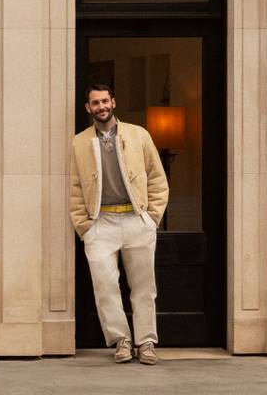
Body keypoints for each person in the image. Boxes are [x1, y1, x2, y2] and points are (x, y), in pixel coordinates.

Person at [70, 83, 169, 365]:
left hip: (136, 219)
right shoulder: (80, 142)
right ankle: (121, 341)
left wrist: (151, 217)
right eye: (95, 103)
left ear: (113, 102)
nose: (101, 107)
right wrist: (84, 226)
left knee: (143, 286)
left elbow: (157, 178)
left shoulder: (138, 135)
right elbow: (76, 187)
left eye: (105, 101)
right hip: (101, 223)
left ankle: (146, 342)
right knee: (105, 286)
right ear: (88, 108)